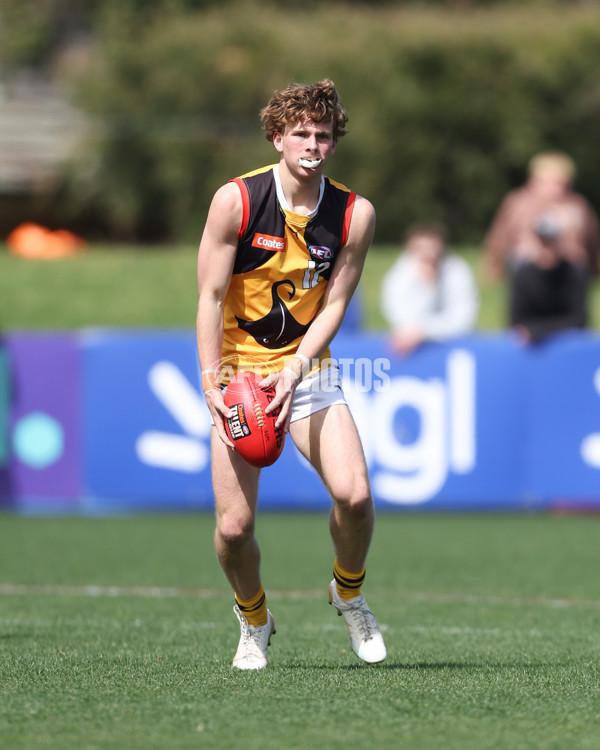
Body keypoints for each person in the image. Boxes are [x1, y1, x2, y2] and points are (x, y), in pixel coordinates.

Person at [196, 79, 386, 670]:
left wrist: (298, 368)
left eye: (323, 134)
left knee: (354, 496)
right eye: (300, 133)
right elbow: (209, 295)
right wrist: (211, 379)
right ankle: (254, 618)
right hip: (238, 376)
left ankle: (348, 594)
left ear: (334, 143)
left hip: (307, 373)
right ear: (277, 137)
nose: (312, 143)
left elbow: (334, 305)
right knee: (233, 529)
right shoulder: (238, 200)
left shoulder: (354, 214)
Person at [483, 151, 600, 281]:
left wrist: (592, 267)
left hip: (568, 271)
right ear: (533, 180)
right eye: (547, 182)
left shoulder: (577, 205)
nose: (554, 189)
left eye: (559, 183)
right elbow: (500, 236)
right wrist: (494, 266)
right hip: (526, 267)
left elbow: (591, 241)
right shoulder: (518, 203)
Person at [380, 222, 479, 356]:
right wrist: (426, 287)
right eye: (420, 248)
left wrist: (423, 331)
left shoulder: (458, 272)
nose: (428, 253)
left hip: (455, 350)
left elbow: (463, 320)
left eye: (433, 247)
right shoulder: (398, 275)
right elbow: (400, 318)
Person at [509, 215, 588, 345]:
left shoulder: (575, 273)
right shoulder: (523, 274)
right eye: (543, 242)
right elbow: (516, 322)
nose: (547, 250)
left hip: (568, 345)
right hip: (532, 349)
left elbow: (579, 320)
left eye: (552, 243)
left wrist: (536, 331)